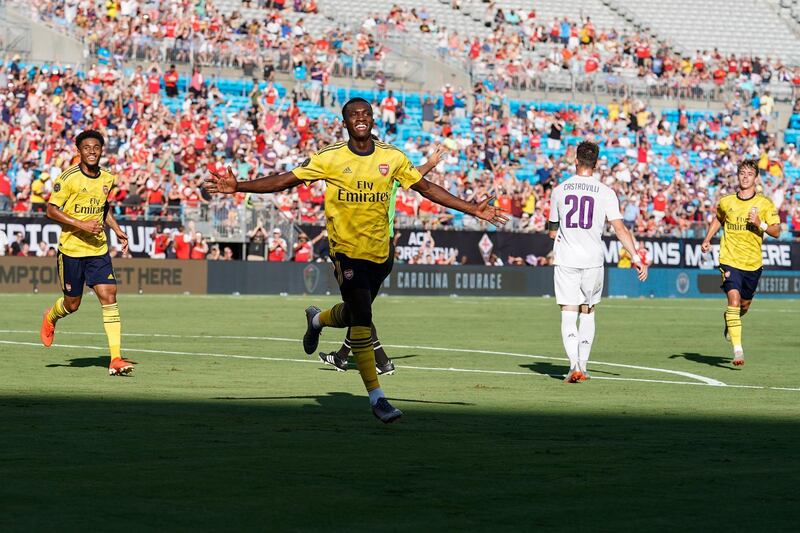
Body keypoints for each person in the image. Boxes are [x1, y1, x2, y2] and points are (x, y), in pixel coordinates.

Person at [204, 97, 507, 423]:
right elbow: (285, 180)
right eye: (353, 115)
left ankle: (317, 320)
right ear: (345, 122)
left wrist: (472, 209)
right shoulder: (330, 157)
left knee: (354, 313)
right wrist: (239, 187)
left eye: (365, 114)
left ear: (373, 120)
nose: (360, 118)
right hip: (345, 251)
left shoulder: (392, 157)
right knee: (362, 314)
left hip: (380, 252)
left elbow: (427, 189)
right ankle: (377, 398)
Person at [317, 145, 448, 375]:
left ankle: (382, 362)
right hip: (384, 248)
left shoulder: (377, 178)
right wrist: (430, 164)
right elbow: (414, 177)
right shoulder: (389, 177)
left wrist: (429, 164)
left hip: (369, 248)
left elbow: (416, 180)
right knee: (360, 308)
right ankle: (341, 356)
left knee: (358, 307)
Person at [547, 141, 648, 383]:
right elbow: (620, 229)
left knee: (568, 313)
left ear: (576, 160)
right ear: (596, 163)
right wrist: (635, 256)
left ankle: (573, 366)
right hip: (592, 260)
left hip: (567, 259)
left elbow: (552, 231)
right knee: (588, 312)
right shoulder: (605, 192)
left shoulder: (560, 190)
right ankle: (583, 365)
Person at [40, 130, 134, 376]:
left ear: (102, 150)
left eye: (96, 147)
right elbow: (50, 210)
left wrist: (116, 229)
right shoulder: (68, 178)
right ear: (78, 150)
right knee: (73, 304)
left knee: (109, 295)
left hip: (97, 249)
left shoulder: (107, 177)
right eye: (86, 147)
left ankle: (115, 358)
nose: (91, 151)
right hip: (71, 250)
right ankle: (51, 316)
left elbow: (103, 208)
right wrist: (81, 225)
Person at [701, 159, 780, 365]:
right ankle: (738, 351)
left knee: (743, 306)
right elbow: (719, 218)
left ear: (756, 178)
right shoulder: (727, 201)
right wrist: (708, 238)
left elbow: (777, 231)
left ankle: (730, 322)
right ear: (738, 176)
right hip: (730, 260)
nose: (745, 177)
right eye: (742, 173)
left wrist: (759, 223)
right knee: (733, 301)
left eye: (749, 174)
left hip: (752, 263)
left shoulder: (764, 204)